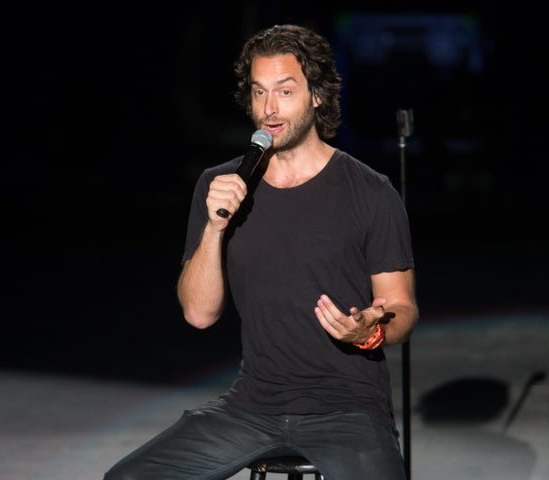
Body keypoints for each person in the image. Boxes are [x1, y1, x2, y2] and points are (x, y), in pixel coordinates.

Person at [104, 23, 419, 480]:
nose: (269, 109)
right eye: (259, 93)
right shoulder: (222, 187)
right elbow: (198, 313)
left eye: (285, 91)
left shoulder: (370, 192)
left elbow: (402, 307)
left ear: (316, 95)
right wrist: (215, 227)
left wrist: (369, 331)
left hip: (348, 411)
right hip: (252, 406)